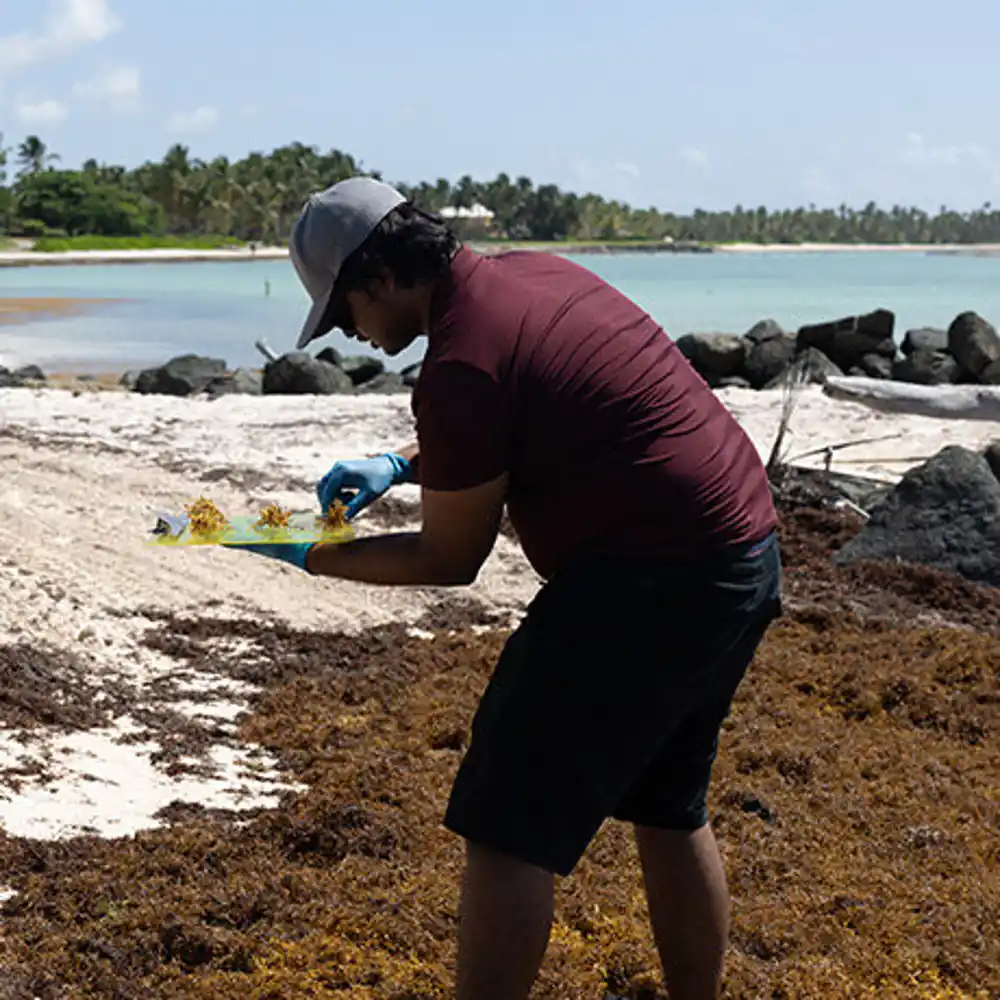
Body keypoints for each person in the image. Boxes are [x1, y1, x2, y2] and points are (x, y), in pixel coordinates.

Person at [231, 175, 783, 1000]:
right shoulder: (533, 273)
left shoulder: (459, 362)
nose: (353, 335)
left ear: (379, 278)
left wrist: (306, 552)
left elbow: (449, 558)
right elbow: (549, 399)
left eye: (345, 313)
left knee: (505, 830)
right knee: (668, 804)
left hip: (649, 580)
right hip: (744, 552)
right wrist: (403, 463)